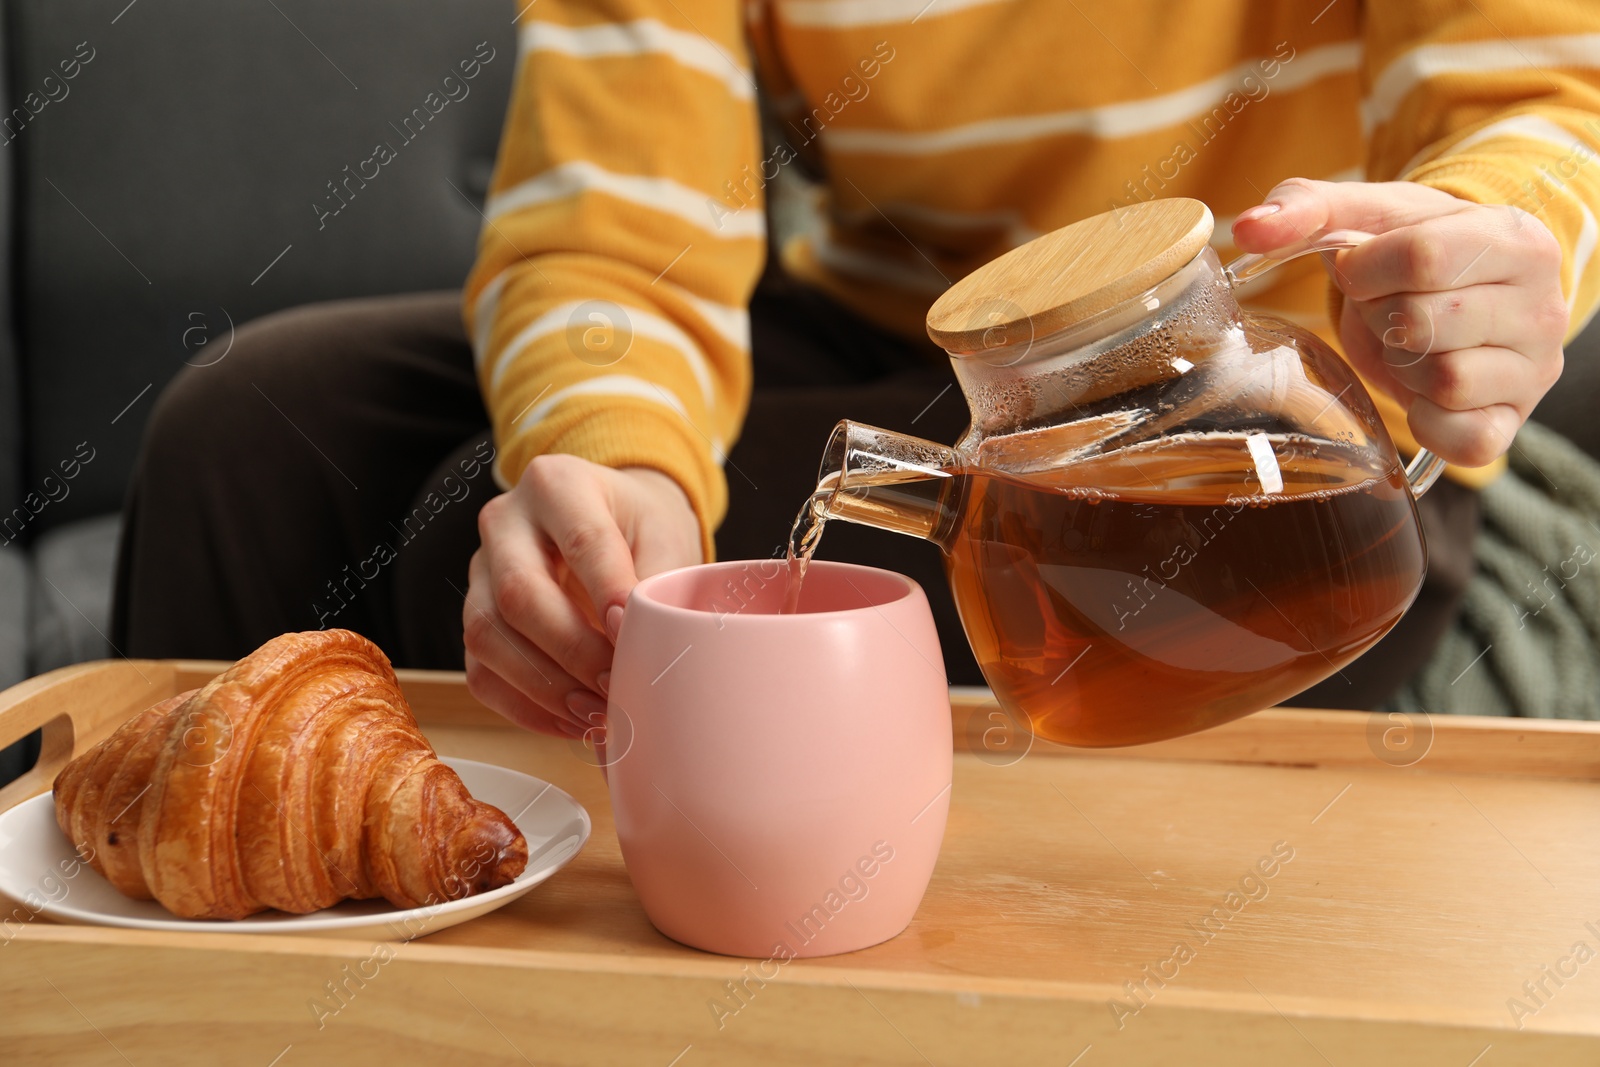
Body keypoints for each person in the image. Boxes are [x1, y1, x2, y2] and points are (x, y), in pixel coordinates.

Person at [114, 3, 1600, 741]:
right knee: (245, 433)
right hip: (904, 344)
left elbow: (1533, 95)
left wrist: (1485, 250)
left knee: (462, 528)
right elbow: (624, 225)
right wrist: (620, 456)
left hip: (1266, 410)